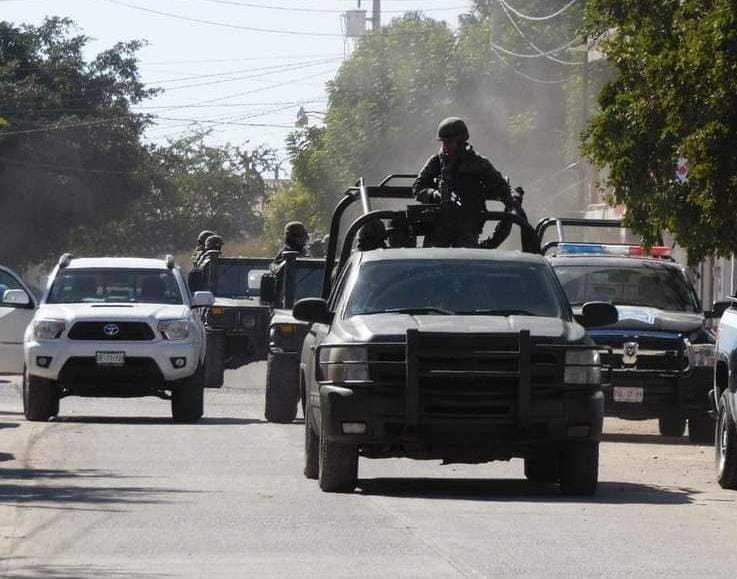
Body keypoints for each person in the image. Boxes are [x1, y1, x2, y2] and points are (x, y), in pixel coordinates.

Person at [412, 117, 525, 248]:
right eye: (443, 142)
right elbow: (417, 187)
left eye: (449, 142)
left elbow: (502, 187)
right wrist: (434, 194)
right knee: (432, 262)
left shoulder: (478, 163)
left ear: (460, 142)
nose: (445, 146)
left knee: (467, 262)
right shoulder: (436, 162)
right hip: (438, 227)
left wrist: (513, 200)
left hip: (467, 227)